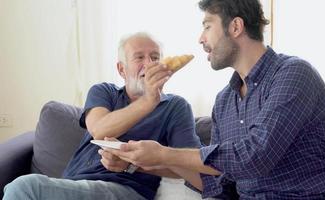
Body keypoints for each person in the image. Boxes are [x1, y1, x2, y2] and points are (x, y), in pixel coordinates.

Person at [106, 0, 325, 199]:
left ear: (235, 27)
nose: (200, 39)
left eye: (207, 26)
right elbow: (217, 182)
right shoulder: (225, 101)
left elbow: (255, 157)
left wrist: (164, 154)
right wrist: (136, 163)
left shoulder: (294, 74)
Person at [2, 32, 201, 200]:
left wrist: (132, 166)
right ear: (121, 69)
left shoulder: (175, 106)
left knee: (24, 188)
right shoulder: (104, 92)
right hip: (70, 185)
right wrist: (148, 100)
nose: (149, 64)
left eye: (155, 57)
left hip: (125, 190)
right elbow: (99, 130)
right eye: (139, 57)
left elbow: (194, 170)